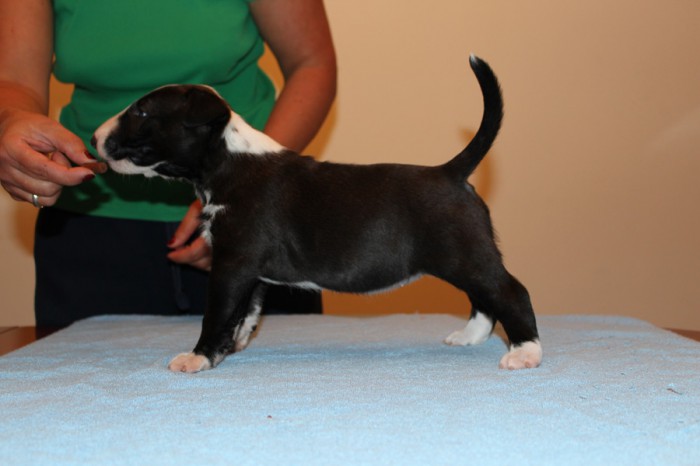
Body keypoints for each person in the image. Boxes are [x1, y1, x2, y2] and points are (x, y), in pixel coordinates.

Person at [0, 0, 337, 327]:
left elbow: (310, 64)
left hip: (256, 216)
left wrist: (246, 190)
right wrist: (12, 121)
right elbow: (15, 79)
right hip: (91, 225)